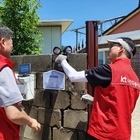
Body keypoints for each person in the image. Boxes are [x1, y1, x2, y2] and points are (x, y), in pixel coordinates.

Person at [55, 37, 140, 140]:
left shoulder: (109, 70)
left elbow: (74, 76)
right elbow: (121, 104)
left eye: (112, 46)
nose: (109, 49)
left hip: (102, 133)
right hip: (123, 135)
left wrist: (62, 61)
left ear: (121, 49)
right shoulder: (135, 79)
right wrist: (96, 101)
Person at [0, 25, 41, 140]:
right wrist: (31, 121)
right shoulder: (3, 69)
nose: (12, 46)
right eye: (11, 41)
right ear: (3, 42)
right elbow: (14, 114)